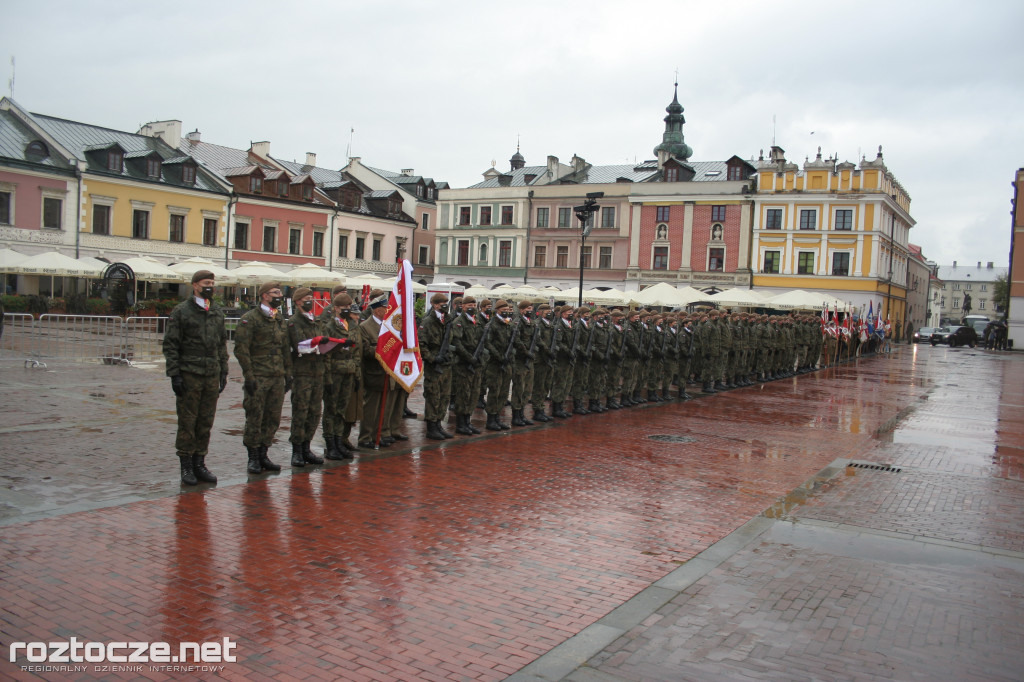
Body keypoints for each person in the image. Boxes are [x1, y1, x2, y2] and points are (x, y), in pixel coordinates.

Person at [163, 269, 229, 486]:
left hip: (211, 374)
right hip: (190, 374)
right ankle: (186, 466)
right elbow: (171, 345)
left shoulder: (217, 312)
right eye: (205, 282)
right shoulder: (182, 311)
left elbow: (221, 344)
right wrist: (175, 375)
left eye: (212, 282)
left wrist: (223, 371)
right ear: (195, 285)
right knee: (188, 422)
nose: (210, 286)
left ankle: (200, 462)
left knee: (205, 421)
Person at [234, 281, 291, 474]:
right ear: (265, 295)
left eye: (279, 293)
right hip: (258, 376)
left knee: (272, 417)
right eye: (275, 293)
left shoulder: (279, 319)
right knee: (255, 417)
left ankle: (264, 453)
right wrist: (249, 376)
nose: (279, 296)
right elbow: (241, 350)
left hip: (276, 376)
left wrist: (288, 374)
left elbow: (285, 349)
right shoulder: (250, 318)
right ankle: (253, 457)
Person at [286, 287, 327, 467]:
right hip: (302, 373)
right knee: (301, 412)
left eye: (311, 297)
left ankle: (306, 448)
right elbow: (298, 345)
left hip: (317, 372)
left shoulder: (315, 321)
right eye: (307, 298)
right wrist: (318, 343)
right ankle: (297, 451)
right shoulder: (294, 322)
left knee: (314, 412)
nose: (310, 301)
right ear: (298, 302)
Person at [322, 294, 361, 459]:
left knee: (342, 410)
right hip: (335, 372)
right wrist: (327, 378)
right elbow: (325, 353)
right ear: (336, 308)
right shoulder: (329, 327)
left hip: (349, 372)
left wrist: (357, 374)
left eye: (349, 306)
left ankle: (339, 441)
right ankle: (330, 444)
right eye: (344, 307)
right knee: (331, 410)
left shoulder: (352, 326)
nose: (347, 309)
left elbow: (357, 351)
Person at [358, 294, 395, 448]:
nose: (388, 310)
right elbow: (365, 350)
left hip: (388, 373)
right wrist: (384, 351)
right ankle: (365, 437)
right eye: (386, 307)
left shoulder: (390, 325)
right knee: (370, 408)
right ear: (378, 310)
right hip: (373, 373)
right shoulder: (365, 327)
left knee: (384, 407)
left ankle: (379, 434)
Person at [419, 292, 455, 440]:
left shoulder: (448, 320)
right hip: (434, 366)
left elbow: (451, 341)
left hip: (446, 364)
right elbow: (421, 344)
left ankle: (439, 424)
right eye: (441, 304)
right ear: (434, 305)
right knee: (433, 396)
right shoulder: (427, 322)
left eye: (446, 303)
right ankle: (431, 427)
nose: (444, 306)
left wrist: (448, 354)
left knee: (444, 396)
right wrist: (433, 359)